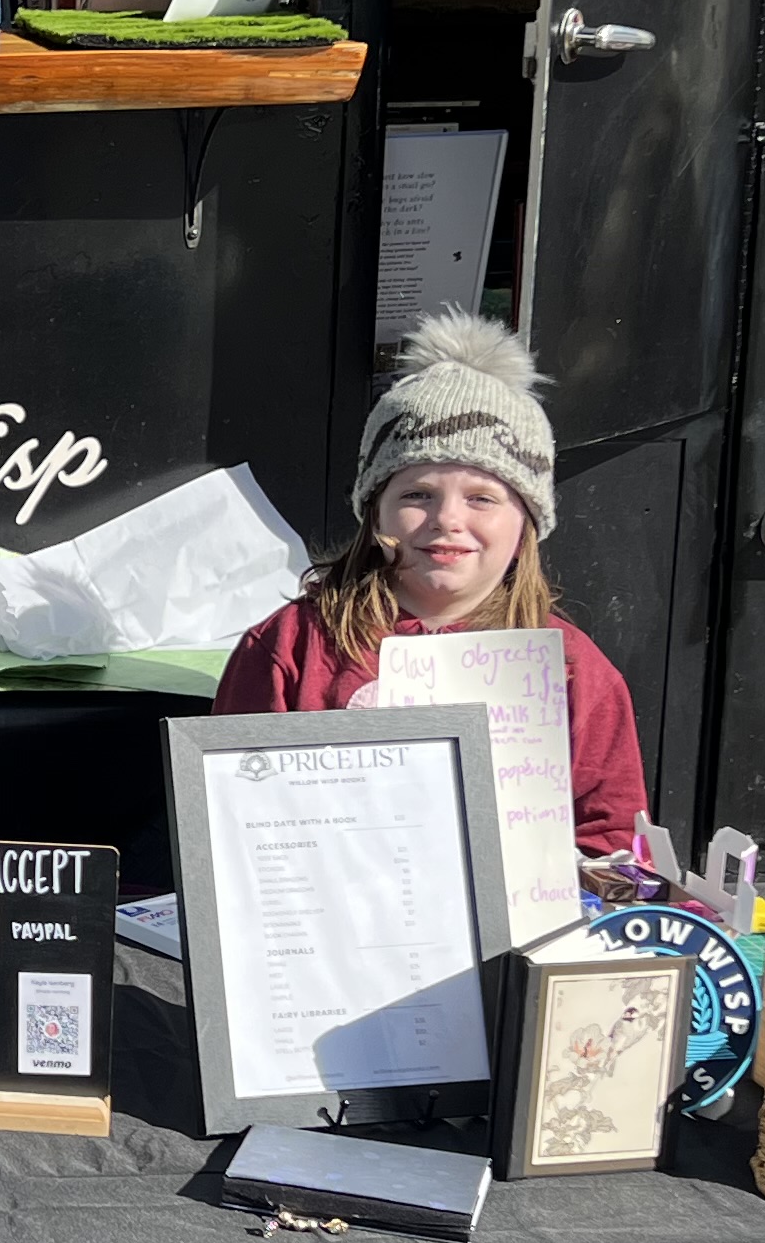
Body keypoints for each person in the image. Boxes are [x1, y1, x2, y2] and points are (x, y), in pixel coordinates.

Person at [213, 308, 649, 854]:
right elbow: (229, 813)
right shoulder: (289, 646)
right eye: (416, 494)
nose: (447, 520)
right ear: (375, 512)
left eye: (482, 498)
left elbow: (611, 841)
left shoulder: (572, 669)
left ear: (528, 522)